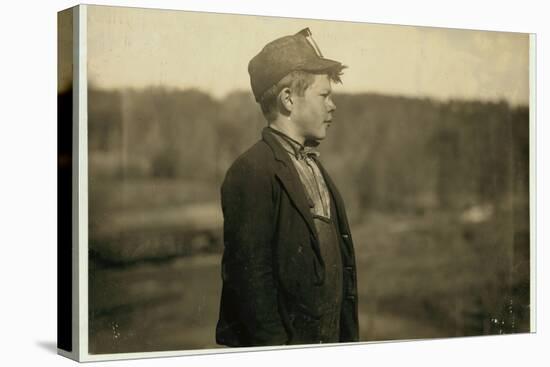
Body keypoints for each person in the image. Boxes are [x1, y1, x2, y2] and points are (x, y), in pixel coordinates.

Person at [216, 28, 359, 347]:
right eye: (324, 95)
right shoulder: (251, 172)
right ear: (288, 100)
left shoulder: (315, 167)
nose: (333, 106)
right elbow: (251, 287)